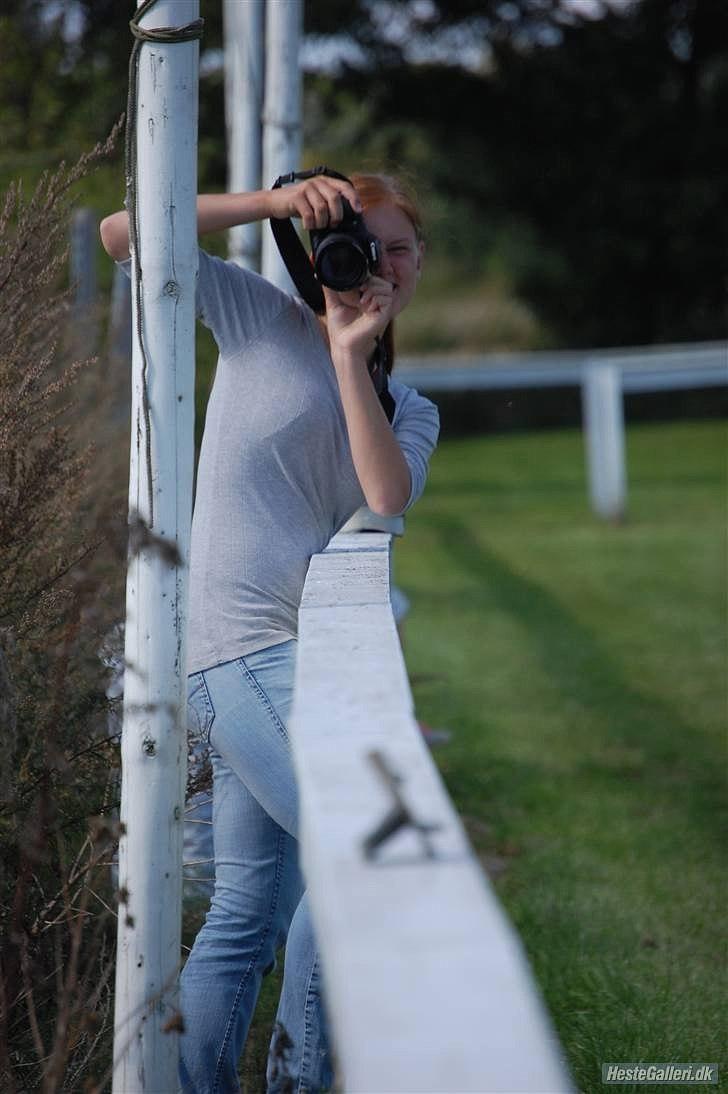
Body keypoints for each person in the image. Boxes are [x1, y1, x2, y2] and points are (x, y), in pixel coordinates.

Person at [100, 170, 439, 1093]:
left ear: (416, 263)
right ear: (321, 249)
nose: (380, 262)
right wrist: (267, 208)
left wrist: (347, 353)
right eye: (361, 242)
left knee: (250, 909)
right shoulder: (257, 318)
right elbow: (124, 231)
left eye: (397, 246)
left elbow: (382, 494)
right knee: (357, 868)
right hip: (237, 653)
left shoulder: (410, 408)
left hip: (310, 669)